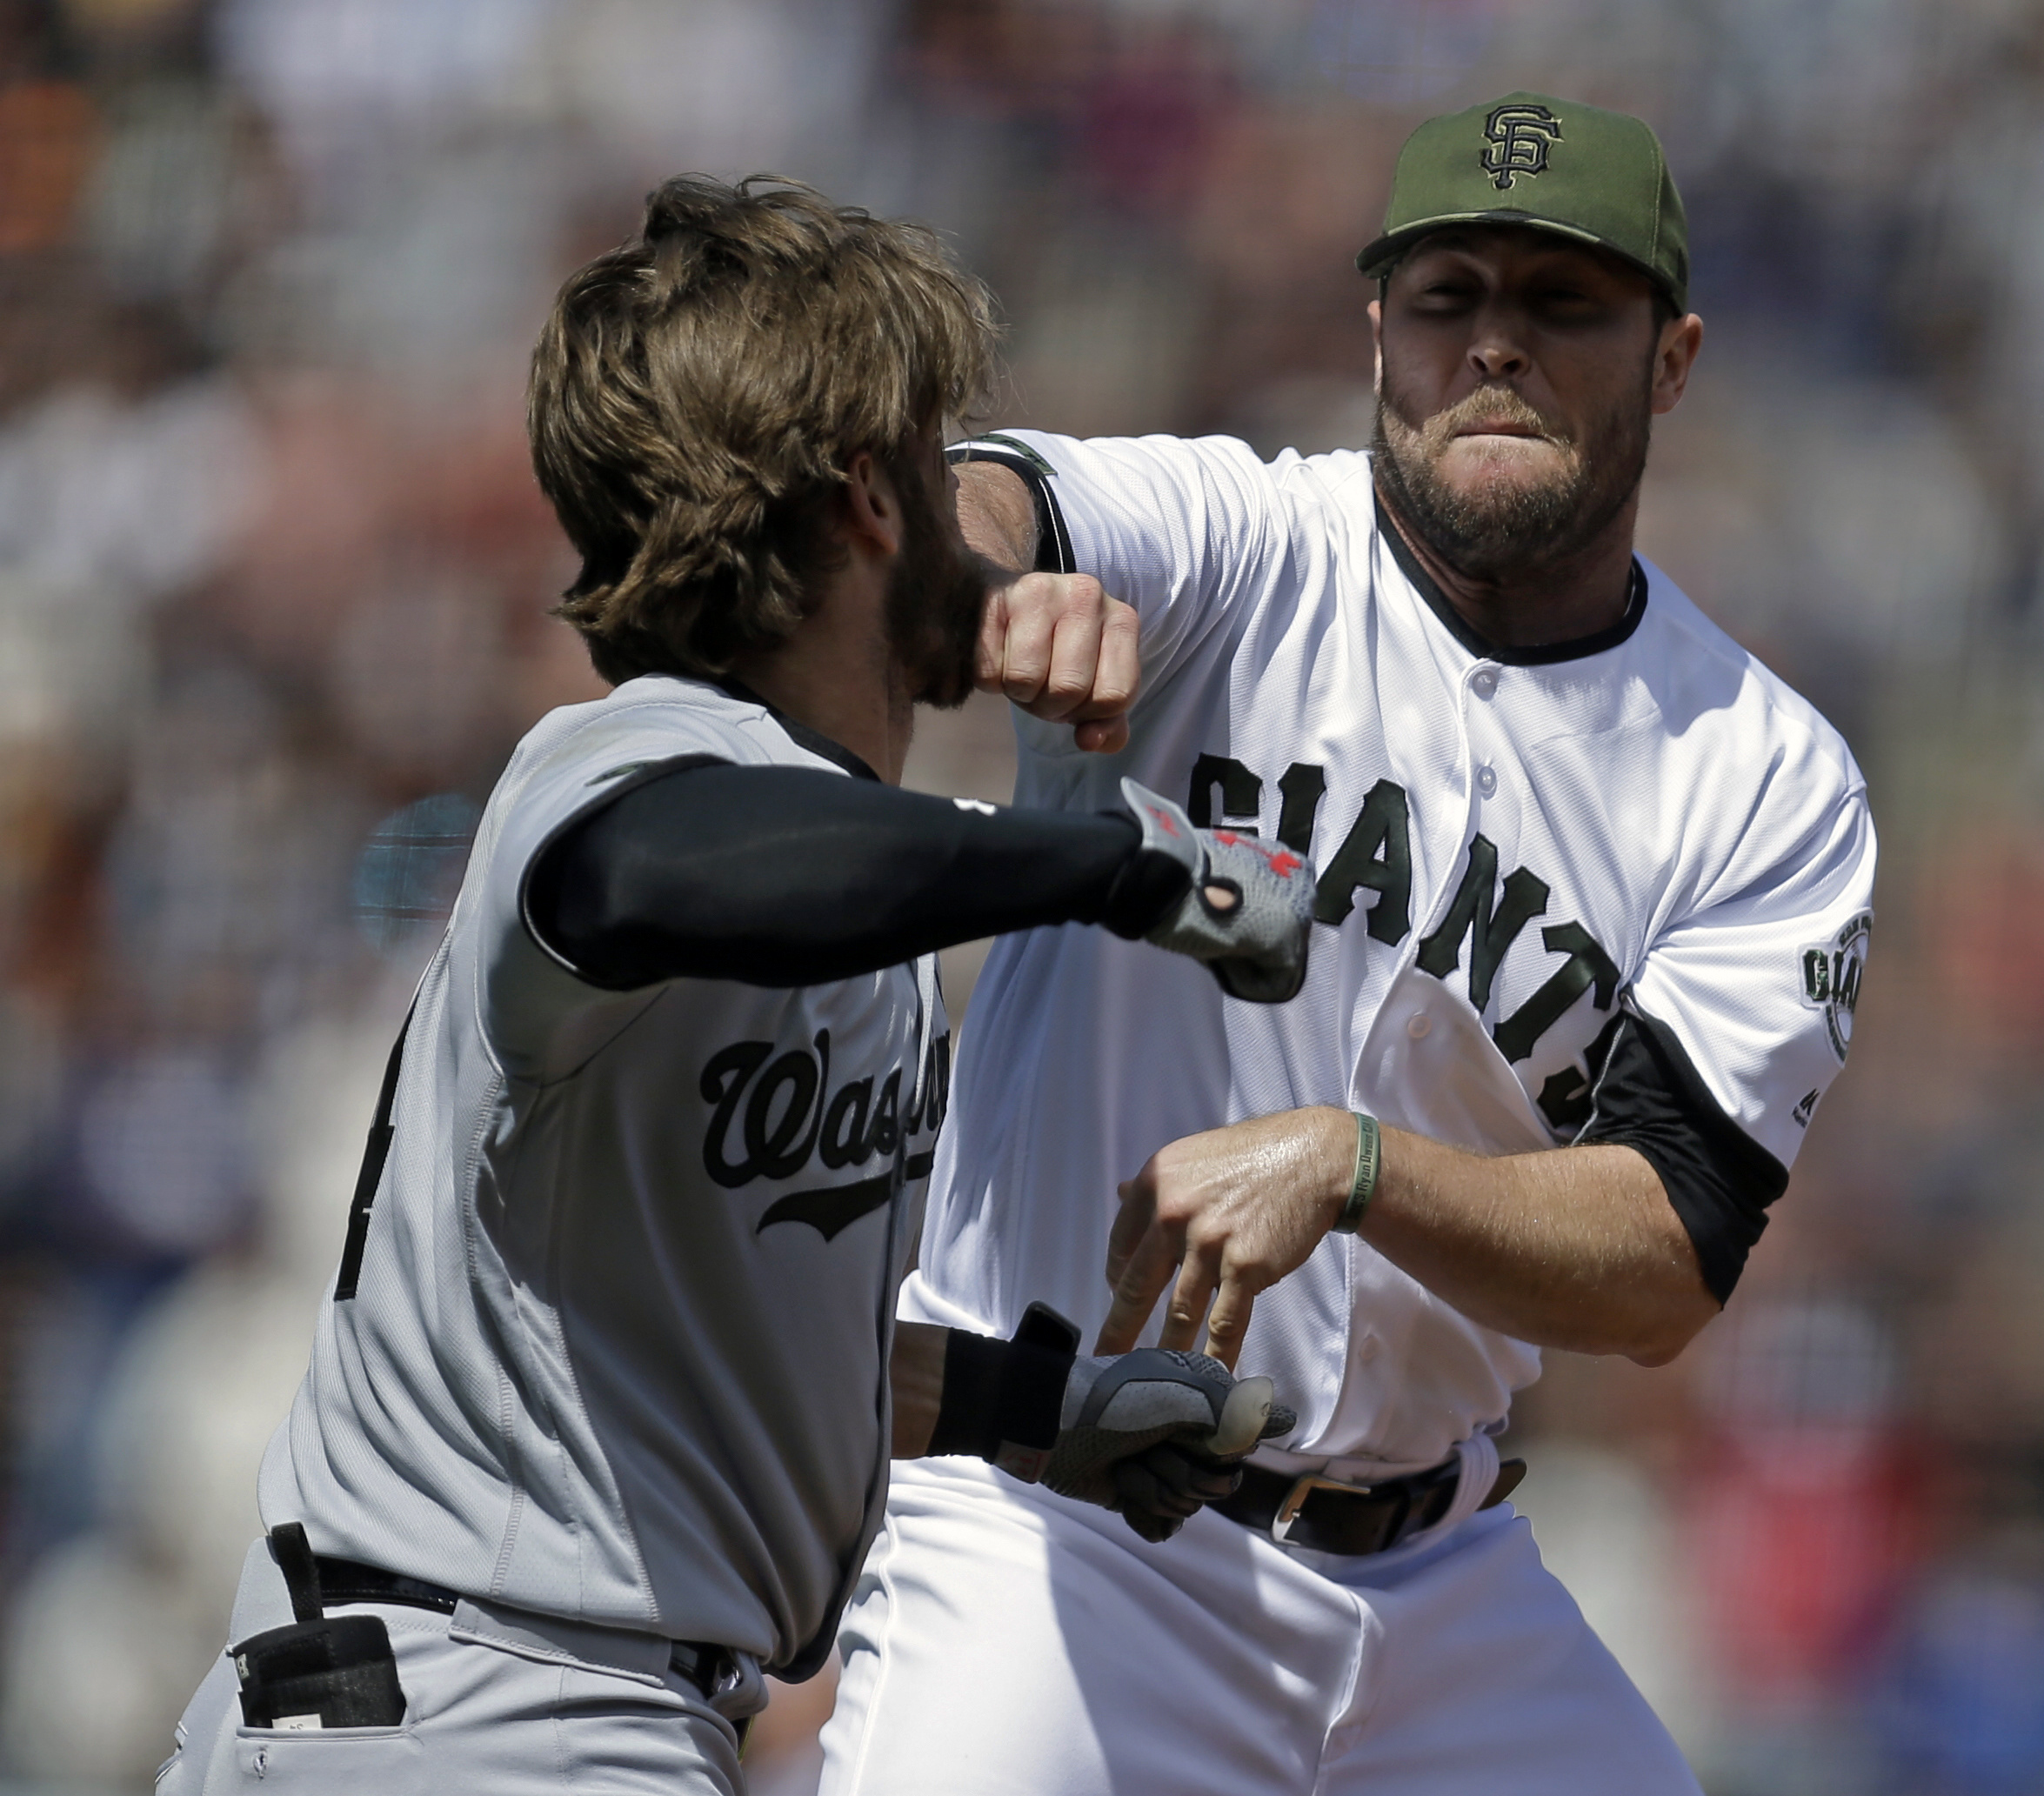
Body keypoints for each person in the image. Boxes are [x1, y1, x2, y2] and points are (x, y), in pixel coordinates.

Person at [153, 175, 1315, 1796]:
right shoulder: (631, 762)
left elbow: (723, 1352)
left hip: (540, 1707)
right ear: (868, 499)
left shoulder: (834, 874)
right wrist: (1123, 864)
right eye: (934, 457)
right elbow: (667, 868)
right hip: (472, 1697)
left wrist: (1044, 1405)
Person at [818, 92, 1878, 1794]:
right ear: (1381, 327)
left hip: (1442, 1581)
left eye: (1563, 303)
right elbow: (996, 495)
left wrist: (1362, 1164)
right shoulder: (1250, 551)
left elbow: (1667, 1254)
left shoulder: (1760, 771)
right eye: (1451, 295)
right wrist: (1001, 577)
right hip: (1060, 1530)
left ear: (1672, 360)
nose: (1497, 348)